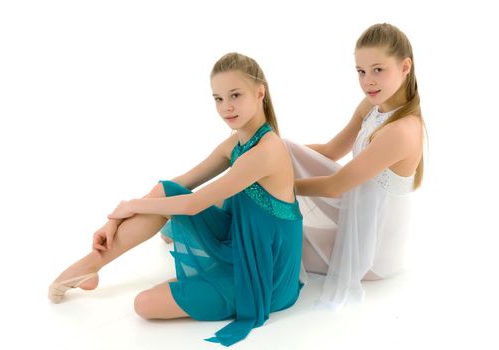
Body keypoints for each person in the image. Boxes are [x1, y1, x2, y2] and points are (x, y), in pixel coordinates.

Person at [48, 52, 303, 346]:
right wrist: (114, 220)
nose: (226, 107)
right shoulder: (238, 141)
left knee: (144, 304)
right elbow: (180, 184)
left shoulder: (267, 150)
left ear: (260, 93)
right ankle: (92, 264)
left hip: (264, 273)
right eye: (218, 99)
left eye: (235, 95)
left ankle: (99, 266)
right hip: (238, 239)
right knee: (167, 189)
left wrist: (130, 206)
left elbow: (194, 204)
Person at [284, 23, 425, 310]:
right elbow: (330, 151)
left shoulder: (402, 130)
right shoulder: (371, 107)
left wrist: (275, 183)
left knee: (280, 244)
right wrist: (271, 156)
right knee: (280, 149)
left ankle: (203, 222)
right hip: (356, 215)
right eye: (361, 71)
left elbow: (336, 186)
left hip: (374, 249)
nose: (367, 81)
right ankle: (206, 215)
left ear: (405, 66)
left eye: (378, 70)